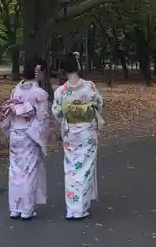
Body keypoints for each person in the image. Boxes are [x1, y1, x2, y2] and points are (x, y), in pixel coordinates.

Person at [52, 52, 103, 220]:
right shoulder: (90, 87)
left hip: (70, 132)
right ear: (78, 66)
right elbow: (98, 105)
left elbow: (57, 112)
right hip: (87, 131)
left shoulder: (61, 91)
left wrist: (67, 119)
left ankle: (72, 208)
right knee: (86, 167)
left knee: (71, 169)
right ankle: (81, 207)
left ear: (64, 70)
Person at [0, 58, 50, 220]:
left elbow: (13, 107)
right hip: (30, 134)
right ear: (39, 71)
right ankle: (27, 209)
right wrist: (43, 137)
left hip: (16, 133)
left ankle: (15, 208)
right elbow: (42, 117)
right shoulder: (39, 94)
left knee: (15, 170)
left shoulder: (17, 89)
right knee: (29, 172)